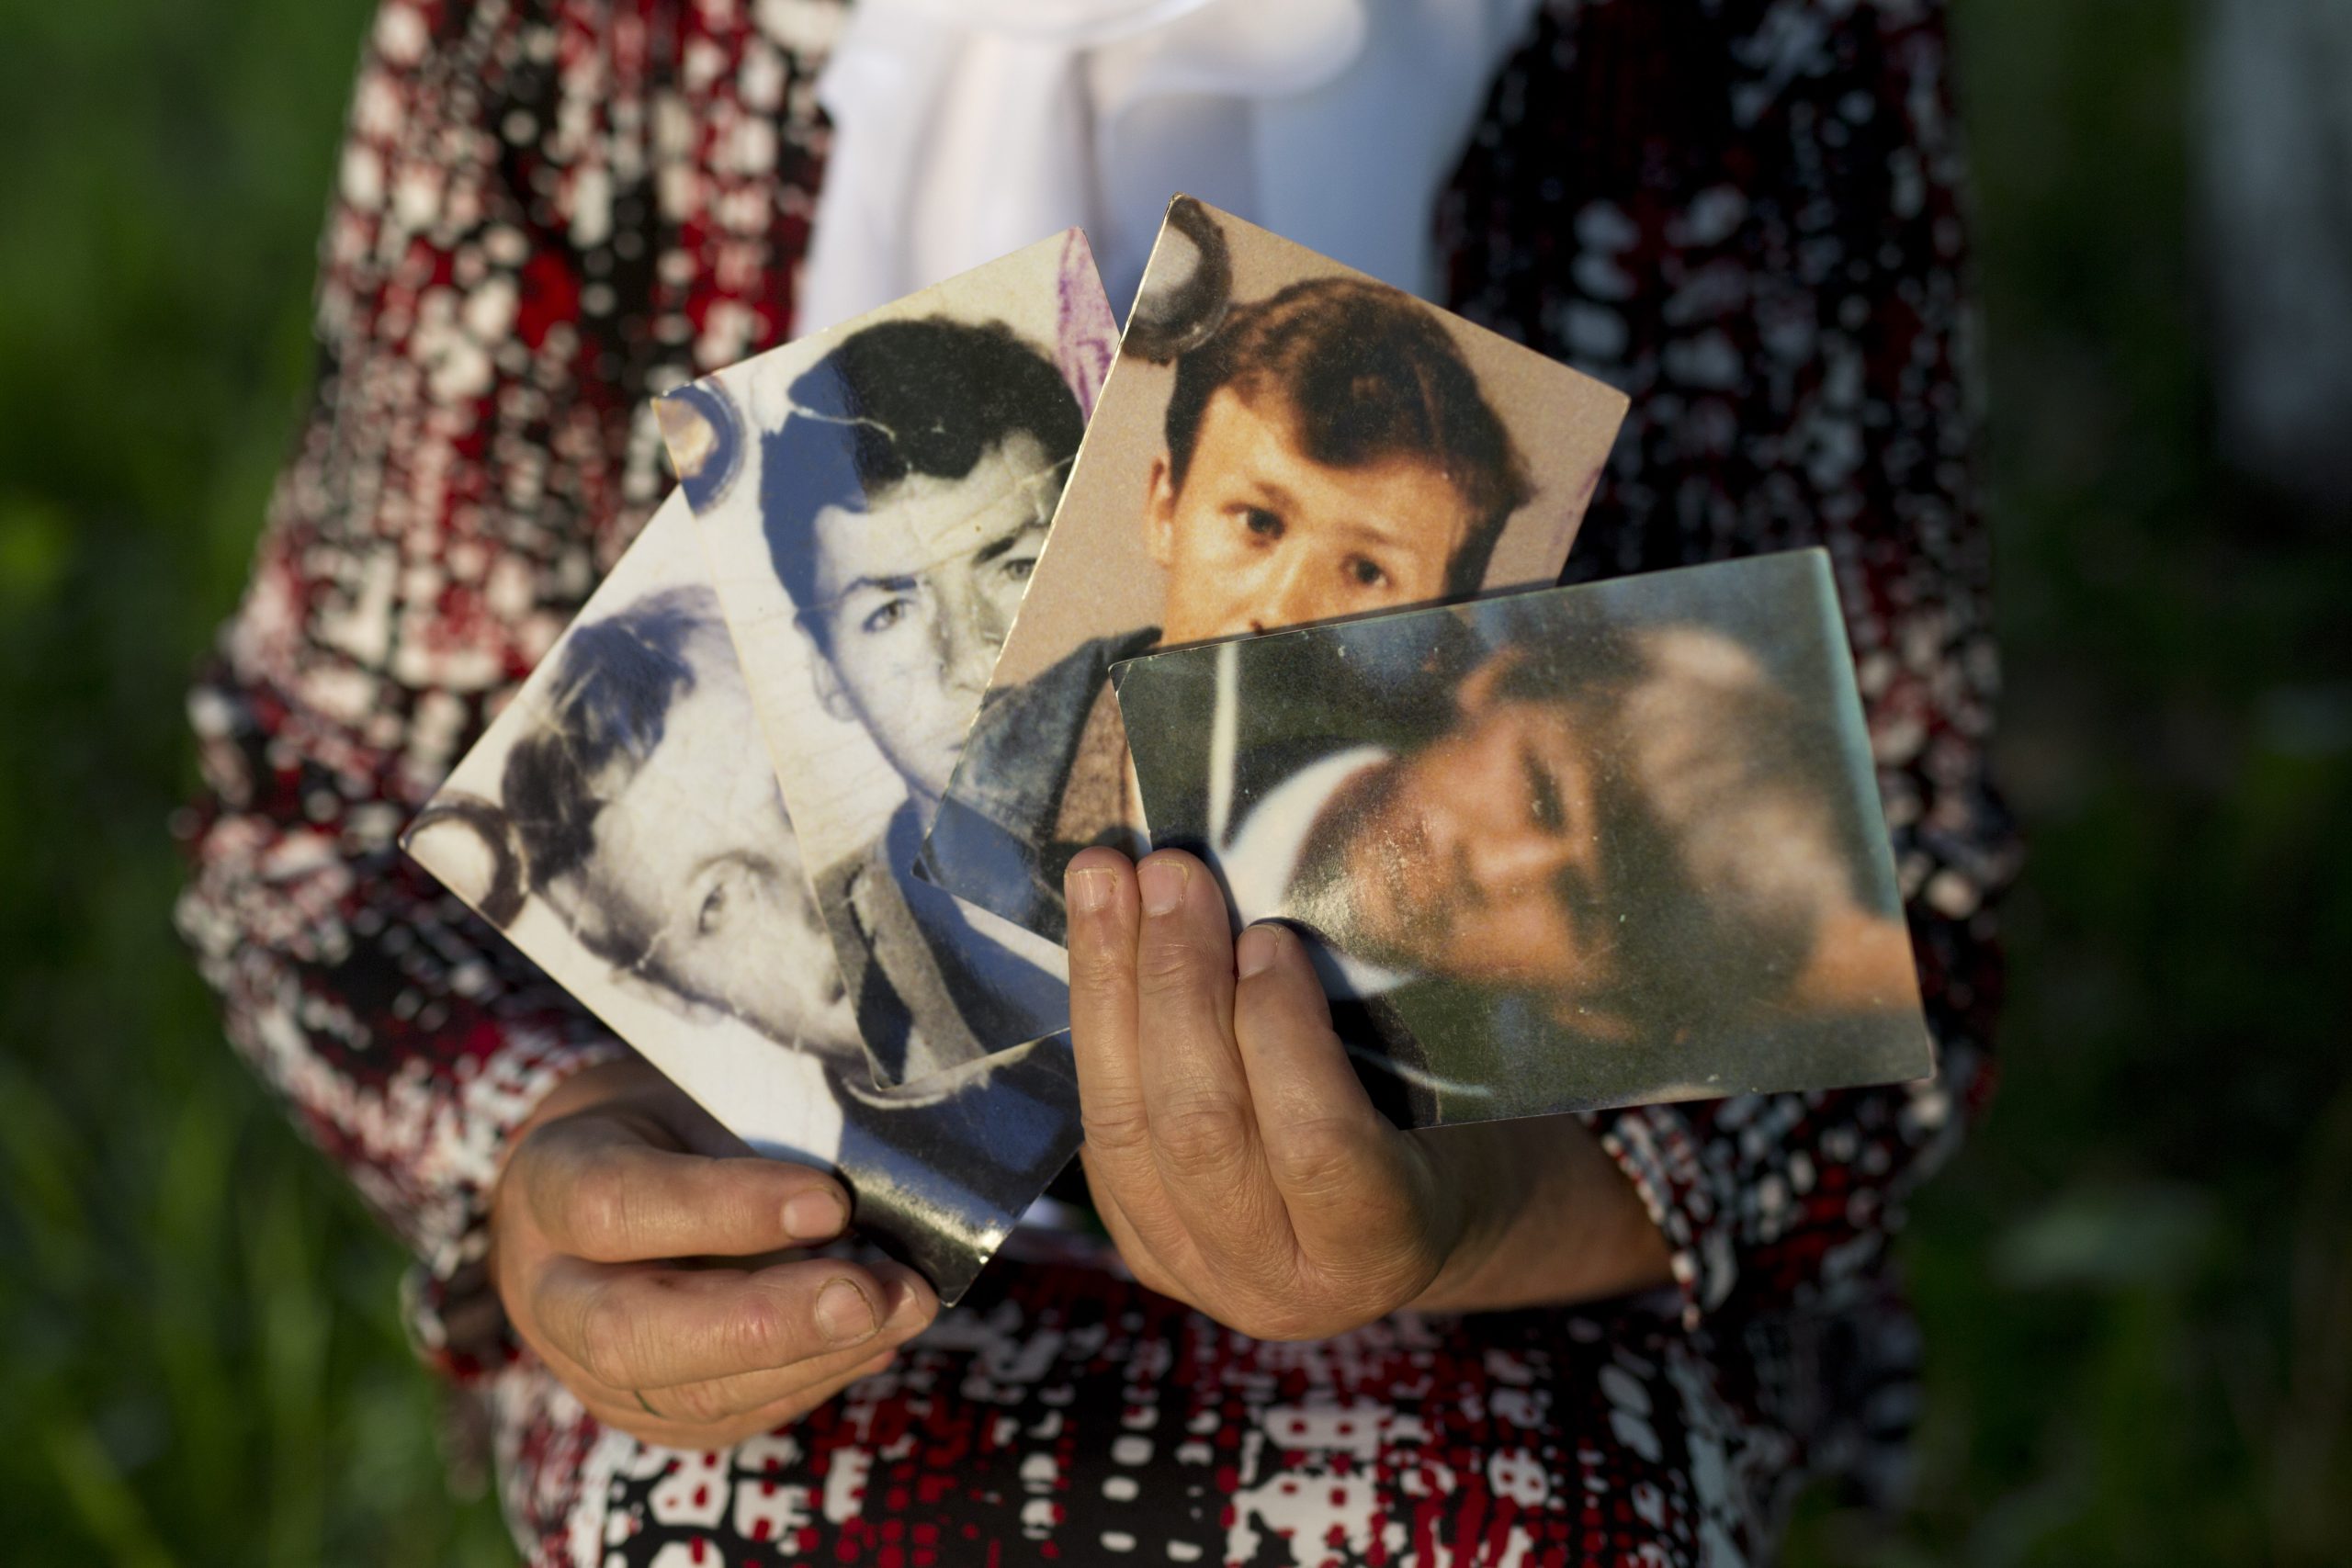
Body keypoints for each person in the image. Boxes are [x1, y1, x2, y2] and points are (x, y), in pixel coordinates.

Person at [176, 1, 2015, 1561]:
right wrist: (549, 1152)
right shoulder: (586, 34)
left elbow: (1896, 880)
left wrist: (1471, 1213)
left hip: (1518, 1262)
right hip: (770, 1233)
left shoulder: (1736, 33)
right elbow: (315, 795)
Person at [406, 580, 1084, 1297]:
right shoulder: (832, 1237)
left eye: (790, 796)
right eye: (717, 901)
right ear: (662, 987)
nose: (809, 890)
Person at [923, 269, 1532, 944]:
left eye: (1367, 570)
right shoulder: (940, 780)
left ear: (1437, 633)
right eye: (1259, 523)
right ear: (1165, 509)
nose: (1281, 611)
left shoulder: (1452, 941)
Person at [1136, 614, 1922, 1123]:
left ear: (1594, 1010)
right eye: (1542, 793)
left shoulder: (1402, 1120)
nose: (1495, 866)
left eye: (1581, 909)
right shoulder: (1210, 656)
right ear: (1501, 679)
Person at [749, 317, 1082, 1078]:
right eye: (890, 612)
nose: (974, 659)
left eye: (1016, 567)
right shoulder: (826, 993)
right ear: (828, 671)